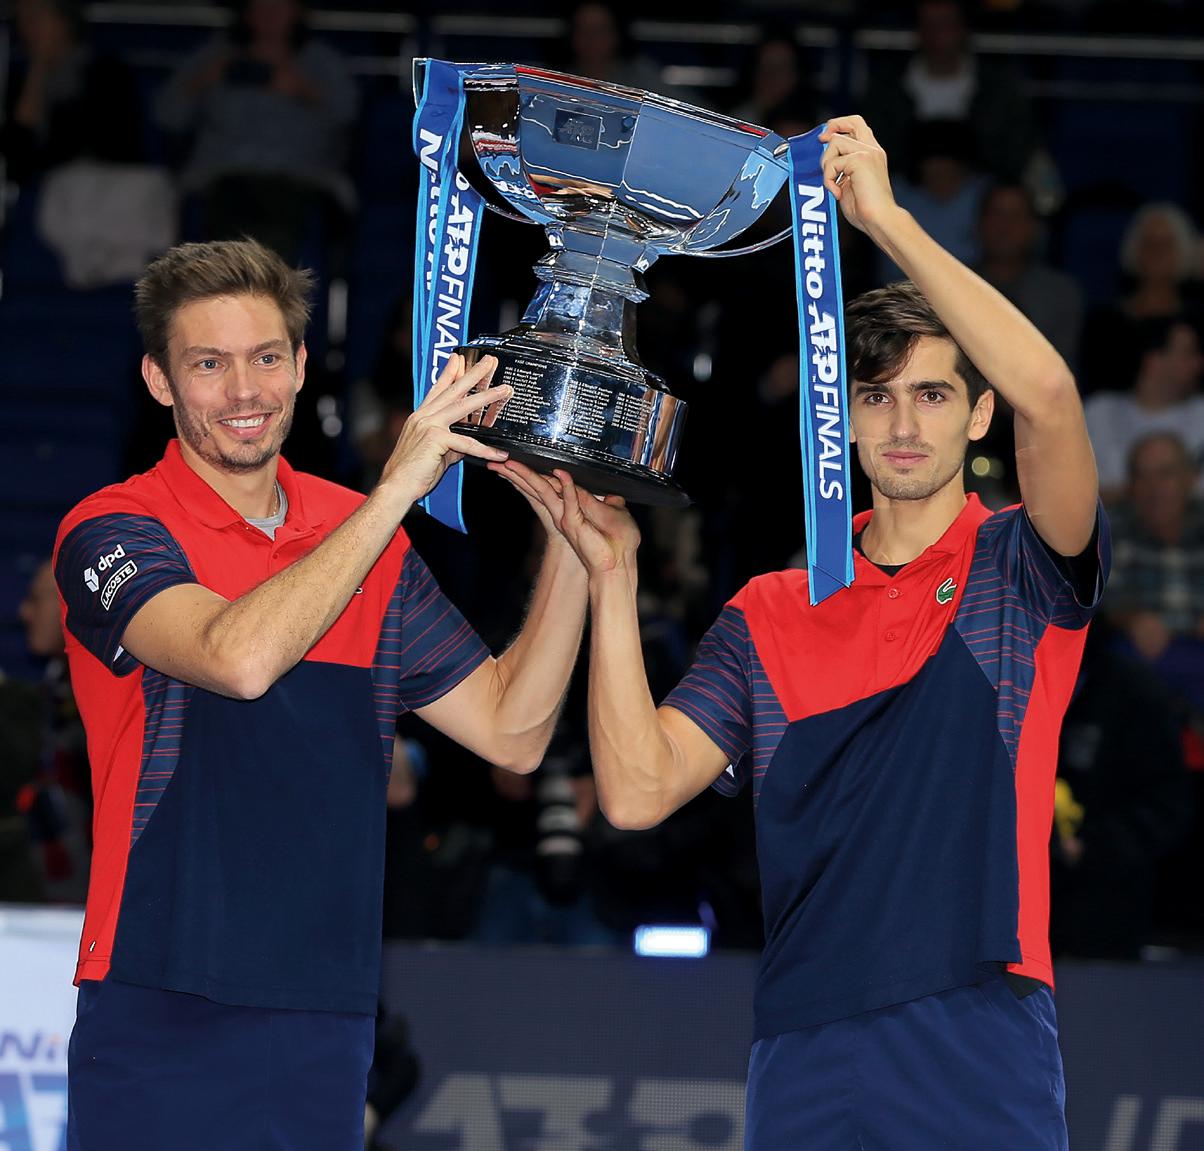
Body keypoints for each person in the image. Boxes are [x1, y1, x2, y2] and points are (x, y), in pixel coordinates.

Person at [497, 114, 1107, 1150]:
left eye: (932, 393)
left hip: (979, 1028)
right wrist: (613, 576)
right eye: (874, 396)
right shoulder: (767, 611)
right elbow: (638, 790)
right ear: (843, 415)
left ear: (975, 417)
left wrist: (887, 220)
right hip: (804, 1042)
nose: (904, 423)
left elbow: (1048, 394)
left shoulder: (1019, 569)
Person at [52, 238, 588, 1151]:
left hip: (324, 1005)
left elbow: (512, 731)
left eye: (266, 357)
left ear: (302, 366)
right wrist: (396, 493)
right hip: (160, 990)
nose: (244, 390)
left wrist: (578, 548)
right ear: (158, 380)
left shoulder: (355, 533)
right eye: (207, 364)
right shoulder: (112, 527)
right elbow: (239, 658)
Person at [1084, 316, 1204, 502]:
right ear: (1153, 360)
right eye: (1187, 354)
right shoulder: (1100, 413)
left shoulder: (1201, 413)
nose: (1198, 363)